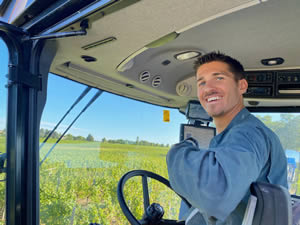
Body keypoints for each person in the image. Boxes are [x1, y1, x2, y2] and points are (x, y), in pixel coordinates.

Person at [166, 52, 288, 225]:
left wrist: (179, 151)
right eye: (201, 82)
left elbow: (215, 194)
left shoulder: (247, 133)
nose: (208, 88)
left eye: (219, 78)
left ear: (242, 86)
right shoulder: (233, 135)